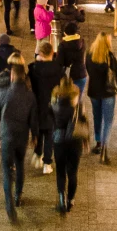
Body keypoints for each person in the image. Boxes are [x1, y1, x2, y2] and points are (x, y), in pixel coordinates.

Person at [0, 63, 38, 220]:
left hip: (7, 136)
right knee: (20, 164)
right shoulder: (30, 95)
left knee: (6, 170)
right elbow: (33, 119)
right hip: (21, 137)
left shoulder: (4, 92)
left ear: (11, 76)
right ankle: (18, 196)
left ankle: (9, 206)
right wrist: (35, 136)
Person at [50, 74, 82, 213]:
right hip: (75, 141)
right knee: (73, 172)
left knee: (61, 171)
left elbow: (49, 121)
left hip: (59, 141)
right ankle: (71, 200)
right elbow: (84, 123)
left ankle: (61, 197)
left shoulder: (54, 106)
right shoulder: (78, 107)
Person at [85, 32, 117, 159]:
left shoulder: (89, 55)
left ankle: (98, 142)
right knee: (108, 120)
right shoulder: (109, 57)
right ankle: (105, 146)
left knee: (97, 117)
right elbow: (116, 73)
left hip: (94, 91)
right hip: (108, 92)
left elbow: (87, 69)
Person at [29, 41, 60, 173]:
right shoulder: (58, 69)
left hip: (36, 106)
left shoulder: (33, 69)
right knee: (49, 134)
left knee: (38, 130)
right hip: (52, 107)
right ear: (52, 53)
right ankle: (47, 163)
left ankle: (37, 154)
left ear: (40, 53)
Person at [56, 19, 88, 109]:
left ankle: (71, 120)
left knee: (67, 104)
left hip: (68, 76)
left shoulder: (63, 45)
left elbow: (59, 63)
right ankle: (79, 115)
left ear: (66, 33)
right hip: (82, 74)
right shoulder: (82, 41)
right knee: (78, 100)